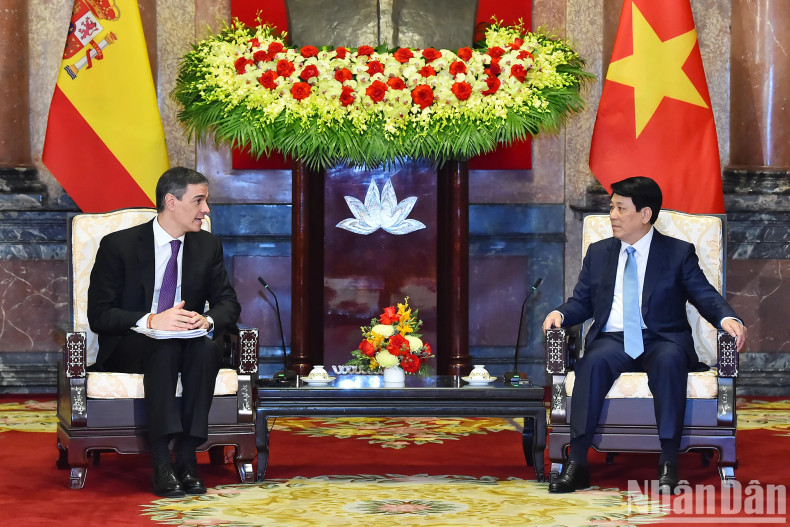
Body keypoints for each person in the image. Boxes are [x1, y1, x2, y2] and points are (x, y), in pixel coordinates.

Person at [542, 176, 746, 495]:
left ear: (645, 214)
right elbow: (581, 301)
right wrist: (561, 314)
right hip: (614, 339)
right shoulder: (599, 253)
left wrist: (727, 317)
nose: (612, 215)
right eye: (612, 207)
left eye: (621, 208)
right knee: (592, 363)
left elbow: (704, 294)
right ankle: (577, 462)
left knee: (668, 361)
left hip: (662, 338)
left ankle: (668, 461)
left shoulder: (677, 253)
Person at [87, 166, 241, 497]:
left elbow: (228, 303)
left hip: (189, 340)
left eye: (206, 201)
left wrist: (207, 320)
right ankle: (160, 461)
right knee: (165, 347)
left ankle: (186, 457)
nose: (206, 210)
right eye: (199, 201)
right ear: (171, 202)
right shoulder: (119, 246)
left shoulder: (207, 245)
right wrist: (152, 321)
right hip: (133, 343)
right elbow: (99, 315)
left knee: (207, 348)